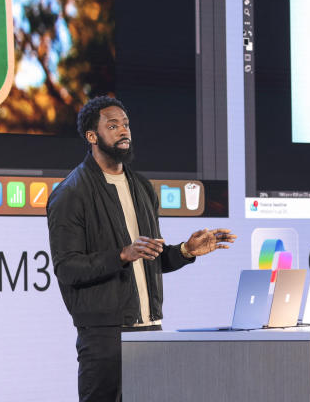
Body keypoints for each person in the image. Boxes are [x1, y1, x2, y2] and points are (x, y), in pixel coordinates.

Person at [47, 96, 236, 402]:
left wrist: (186, 250)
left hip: (150, 330)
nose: (124, 131)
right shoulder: (71, 193)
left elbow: (149, 258)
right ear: (92, 137)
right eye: (112, 125)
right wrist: (122, 255)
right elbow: (68, 268)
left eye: (126, 124)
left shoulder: (142, 187)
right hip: (105, 338)